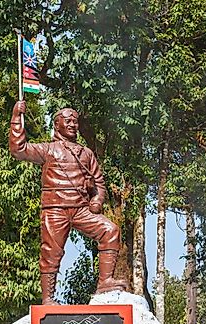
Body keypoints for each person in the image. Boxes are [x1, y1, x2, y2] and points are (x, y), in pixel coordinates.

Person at [10, 101, 129, 305]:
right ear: (57, 125)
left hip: (82, 209)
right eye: (68, 121)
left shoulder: (86, 153)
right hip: (55, 209)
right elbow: (18, 149)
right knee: (51, 252)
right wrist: (16, 118)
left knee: (110, 230)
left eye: (75, 121)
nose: (73, 124)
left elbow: (99, 182)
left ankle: (105, 282)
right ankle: (48, 299)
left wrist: (97, 199)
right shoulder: (48, 149)